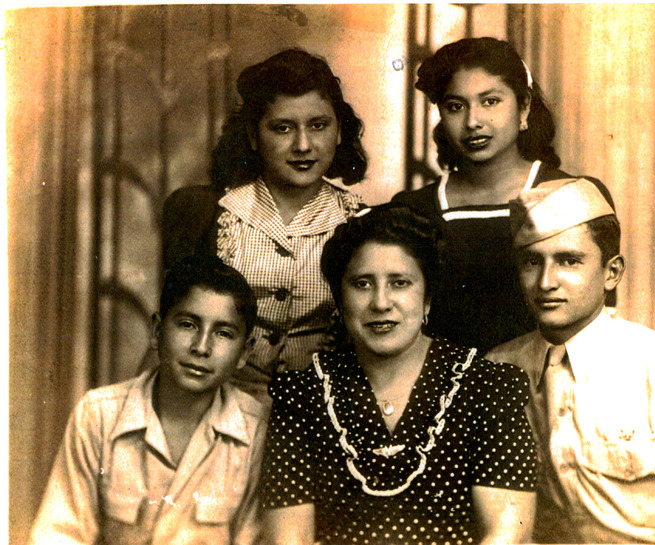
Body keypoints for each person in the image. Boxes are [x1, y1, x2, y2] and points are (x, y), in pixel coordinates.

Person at [486, 178, 655, 543]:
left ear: (612, 273)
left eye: (568, 261)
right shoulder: (498, 370)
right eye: (532, 262)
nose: (546, 282)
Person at [260, 204, 538, 545]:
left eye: (400, 283)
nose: (380, 302)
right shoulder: (300, 397)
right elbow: (288, 539)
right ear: (339, 298)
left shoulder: (488, 388)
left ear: (427, 299)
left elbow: (509, 534)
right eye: (362, 284)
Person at [162, 48, 366, 399]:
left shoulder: (363, 224)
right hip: (217, 407)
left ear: (338, 133)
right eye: (282, 128)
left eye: (318, 126)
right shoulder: (205, 213)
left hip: (323, 419)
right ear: (254, 137)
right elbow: (174, 329)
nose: (303, 145)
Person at [392, 37, 614, 354]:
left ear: (523, 107)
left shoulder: (574, 196)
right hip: (443, 394)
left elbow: (599, 326)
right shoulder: (412, 210)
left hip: (545, 388)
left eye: (490, 102)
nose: (473, 121)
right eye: (456, 107)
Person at [28, 253, 267, 545]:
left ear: (245, 352)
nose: (201, 347)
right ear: (156, 330)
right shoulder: (98, 416)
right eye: (188, 325)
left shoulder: (257, 432)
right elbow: (59, 535)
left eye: (223, 333)